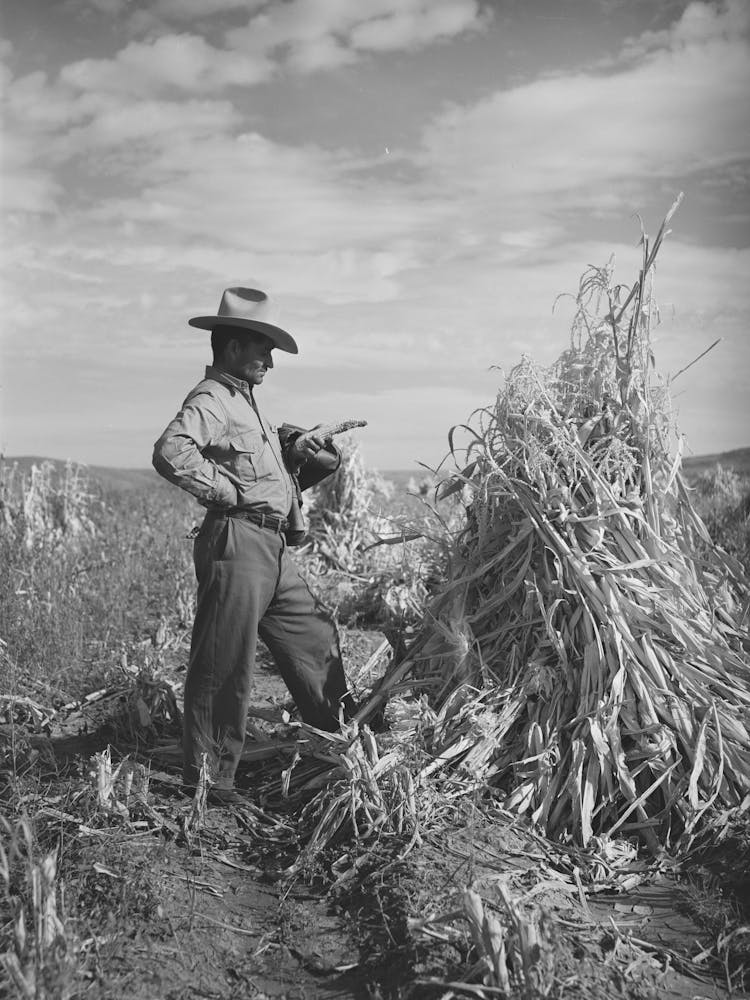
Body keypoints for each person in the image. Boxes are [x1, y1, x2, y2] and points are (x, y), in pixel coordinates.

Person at [153, 286, 354, 803]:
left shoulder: (249, 403)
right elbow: (172, 450)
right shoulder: (213, 398)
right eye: (263, 349)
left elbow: (269, 471)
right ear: (233, 347)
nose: (270, 360)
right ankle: (209, 784)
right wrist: (224, 492)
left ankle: (349, 741)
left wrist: (298, 449)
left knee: (313, 635)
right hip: (237, 540)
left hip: (270, 547)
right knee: (225, 664)